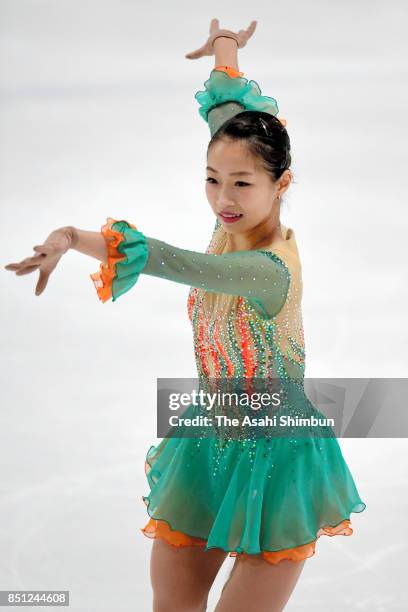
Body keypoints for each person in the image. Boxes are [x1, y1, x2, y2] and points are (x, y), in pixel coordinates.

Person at [5, 18, 367, 612]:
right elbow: (227, 98)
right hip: (207, 438)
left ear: (283, 184)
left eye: (243, 184)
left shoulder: (265, 270)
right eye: (211, 179)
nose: (224, 200)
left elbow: (172, 263)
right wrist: (225, 43)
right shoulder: (238, 174)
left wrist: (73, 237)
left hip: (276, 456)